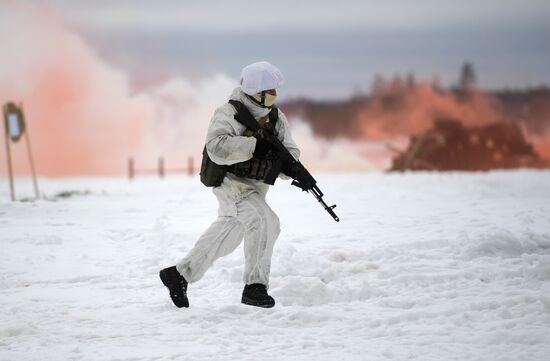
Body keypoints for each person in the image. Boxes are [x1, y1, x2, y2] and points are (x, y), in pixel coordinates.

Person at [159, 61, 300, 308]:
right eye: (271, 90)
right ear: (258, 92)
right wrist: (255, 146)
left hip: (255, 187)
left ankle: (180, 274)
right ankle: (255, 287)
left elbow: (290, 151)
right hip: (231, 184)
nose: (276, 95)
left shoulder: (276, 118)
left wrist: (290, 167)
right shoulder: (229, 113)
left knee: (227, 235)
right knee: (265, 221)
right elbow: (216, 146)